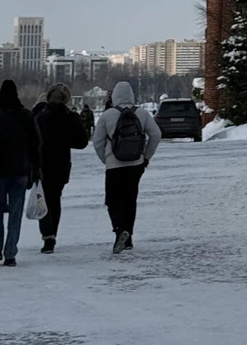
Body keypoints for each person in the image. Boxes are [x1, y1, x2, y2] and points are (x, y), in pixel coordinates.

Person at [91, 81, 161, 254]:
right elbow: (156, 134)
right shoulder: (142, 113)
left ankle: (118, 229)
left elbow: (97, 140)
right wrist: (146, 157)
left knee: (113, 200)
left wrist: (105, 159)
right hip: (135, 164)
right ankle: (128, 238)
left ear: (115, 95)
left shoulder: (108, 114)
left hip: (114, 165)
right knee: (130, 200)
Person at [0, 79, 39, 267]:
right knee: (16, 212)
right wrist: (34, 170)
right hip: (20, 170)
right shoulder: (27, 116)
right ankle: (10, 252)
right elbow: (35, 145)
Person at [32, 83, 88, 254]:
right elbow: (81, 142)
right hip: (61, 165)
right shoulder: (69, 117)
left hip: (42, 165)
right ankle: (52, 234)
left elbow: (31, 142)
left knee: (44, 199)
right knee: (55, 200)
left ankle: (47, 235)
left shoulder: (39, 117)